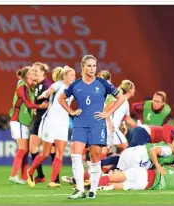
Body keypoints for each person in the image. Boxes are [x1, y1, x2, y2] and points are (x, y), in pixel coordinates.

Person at [58, 54, 125, 199]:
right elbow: (60, 98)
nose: (92, 68)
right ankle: (80, 190)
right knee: (75, 155)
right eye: (89, 65)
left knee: (95, 158)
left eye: (94, 65)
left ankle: (93, 190)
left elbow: (121, 97)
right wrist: (71, 111)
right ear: (82, 67)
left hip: (97, 124)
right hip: (80, 123)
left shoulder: (102, 83)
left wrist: (108, 113)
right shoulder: (75, 85)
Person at [27, 66, 76, 188]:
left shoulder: (74, 88)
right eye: (72, 75)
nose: (74, 77)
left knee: (59, 153)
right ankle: (30, 171)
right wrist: (46, 94)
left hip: (63, 123)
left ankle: (53, 180)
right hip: (50, 122)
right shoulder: (59, 84)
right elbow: (49, 91)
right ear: (65, 76)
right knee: (45, 153)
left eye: (75, 75)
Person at [8, 66, 48, 184]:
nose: (33, 73)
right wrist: (41, 106)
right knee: (23, 149)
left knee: (25, 150)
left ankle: (24, 177)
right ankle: (13, 175)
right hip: (18, 120)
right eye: (31, 72)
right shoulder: (22, 86)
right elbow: (29, 104)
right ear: (26, 75)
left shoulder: (30, 87)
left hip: (24, 121)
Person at [28, 62, 52, 184]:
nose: (33, 73)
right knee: (34, 147)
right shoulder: (38, 85)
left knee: (51, 149)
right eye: (33, 71)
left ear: (43, 72)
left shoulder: (47, 85)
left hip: (45, 119)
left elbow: (50, 103)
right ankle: (41, 175)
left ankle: (52, 178)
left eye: (36, 71)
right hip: (39, 118)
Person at [97, 166, 174, 191]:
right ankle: (104, 187)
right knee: (113, 186)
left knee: (110, 177)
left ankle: (90, 182)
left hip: (142, 172)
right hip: (143, 185)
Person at [105, 80, 137, 152]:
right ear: (129, 90)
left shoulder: (126, 102)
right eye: (134, 88)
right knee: (126, 148)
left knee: (105, 151)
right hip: (111, 128)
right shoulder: (117, 99)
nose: (135, 90)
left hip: (112, 129)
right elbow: (105, 110)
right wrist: (110, 124)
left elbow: (127, 118)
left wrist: (138, 127)